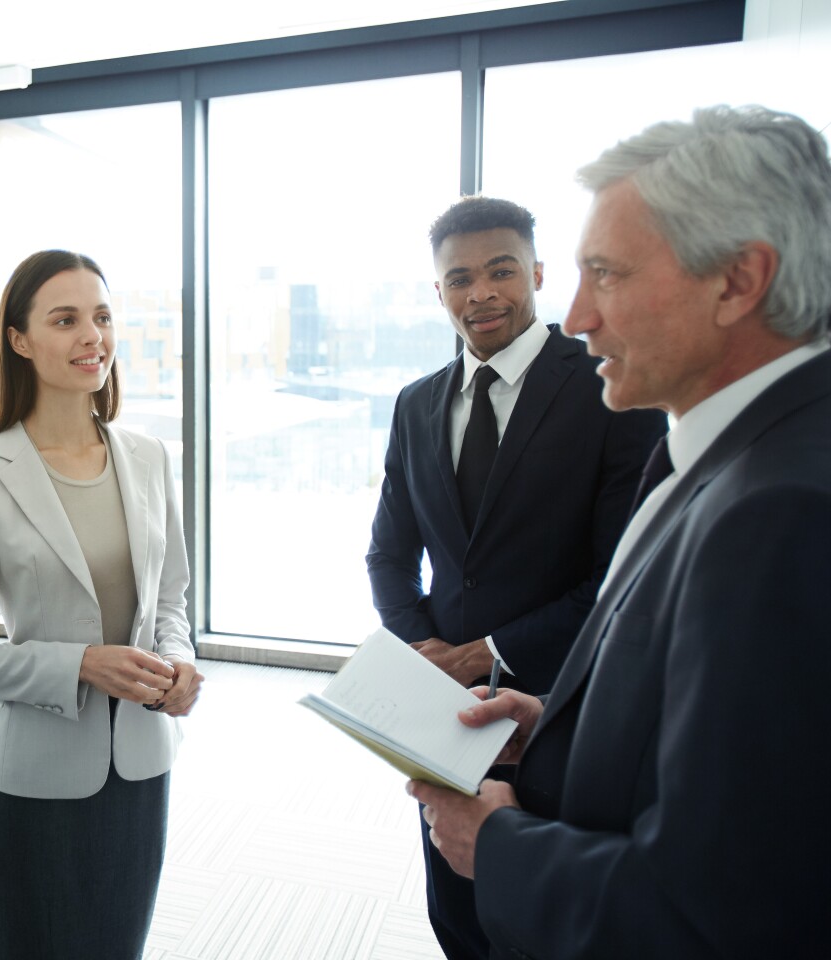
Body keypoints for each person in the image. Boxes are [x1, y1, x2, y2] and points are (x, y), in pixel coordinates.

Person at [411, 105, 831, 959]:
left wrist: (497, 847)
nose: (575, 316)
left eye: (605, 274)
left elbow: (732, 912)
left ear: (738, 281)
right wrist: (555, 725)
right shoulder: (729, 453)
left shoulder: (786, 512)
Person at [366, 196, 666, 959]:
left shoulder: (608, 385)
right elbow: (388, 557)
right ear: (439, 291)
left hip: (563, 706)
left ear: (535, 272)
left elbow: (621, 577)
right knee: (456, 914)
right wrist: (430, 656)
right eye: (459, 279)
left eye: (501, 271)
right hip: (441, 713)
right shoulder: (416, 404)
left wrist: (487, 652)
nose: (482, 293)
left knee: (550, 924)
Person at [0, 250, 203, 960]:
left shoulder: (147, 457)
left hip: (142, 766)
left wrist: (179, 660)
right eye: (65, 320)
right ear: (19, 340)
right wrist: (79, 664)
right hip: (37, 783)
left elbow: (171, 598)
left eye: (103, 317)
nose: (93, 336)